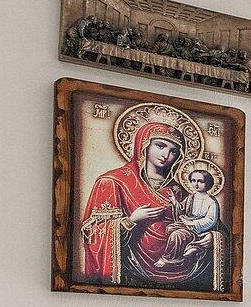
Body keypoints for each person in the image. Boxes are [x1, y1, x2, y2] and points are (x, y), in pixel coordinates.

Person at [78, 116, 213, 287]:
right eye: (161, 146)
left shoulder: (181, 190)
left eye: (174, 152)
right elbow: (94, 232)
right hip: (132, 269)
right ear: (144, 144)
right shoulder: (113, 181)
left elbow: (205, 222)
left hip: (183, 267)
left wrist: (212, 237)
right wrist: (131, 220)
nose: (166, 155)